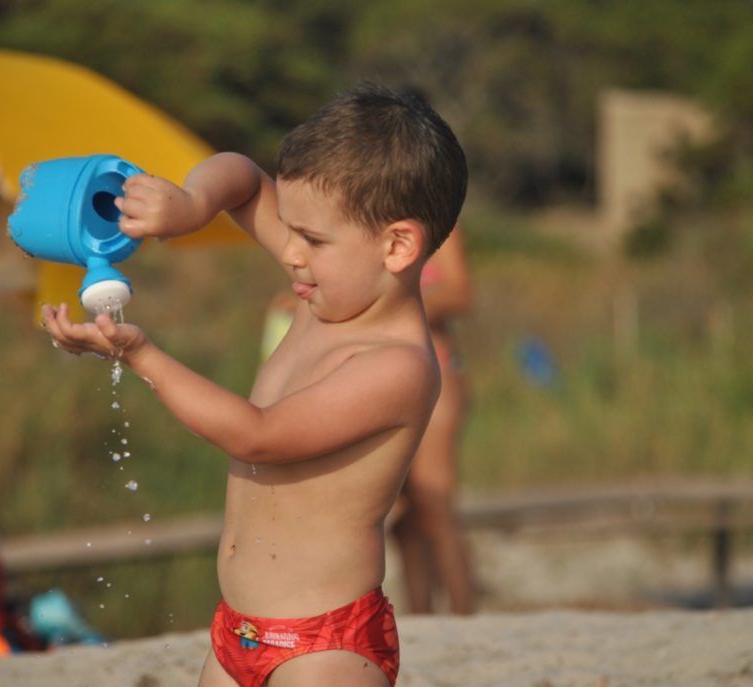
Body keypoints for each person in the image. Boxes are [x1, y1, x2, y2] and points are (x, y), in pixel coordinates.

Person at [42, 82, 467, 687]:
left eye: (313, 241)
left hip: (324, 647)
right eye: (289, 229)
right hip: (236, 632)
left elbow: (258, 436)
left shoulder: (397, 365)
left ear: (397, 245)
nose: (290, 254)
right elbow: (239, 175)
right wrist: (192, 205)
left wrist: (143, 357)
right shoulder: (327, 291)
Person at [391, 225, 476, 615]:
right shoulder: (366, 217)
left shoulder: (438, 225)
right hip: (386, 380)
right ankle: (422, 621)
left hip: (436, 370)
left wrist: (393, 299)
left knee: (435, 502)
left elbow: (460, 293)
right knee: (401, 515)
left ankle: (463, 615)